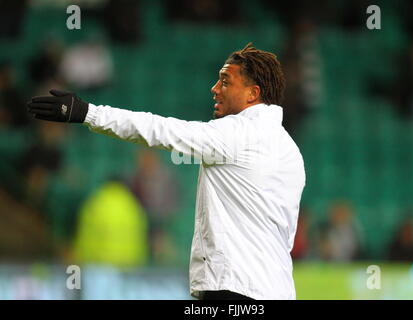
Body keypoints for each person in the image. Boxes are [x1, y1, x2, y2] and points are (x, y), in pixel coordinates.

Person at [27, 43, 306, 300]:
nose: (214, 88)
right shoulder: (290, 151)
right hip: (277, 289)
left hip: (236, 290)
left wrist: (88, 113)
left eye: (225, 81)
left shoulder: (236, 134)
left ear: (252, 93)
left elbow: (160, 131)